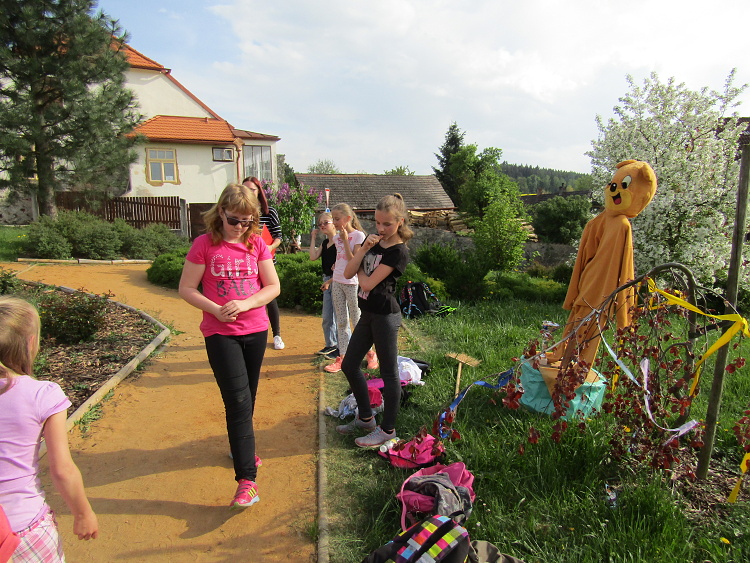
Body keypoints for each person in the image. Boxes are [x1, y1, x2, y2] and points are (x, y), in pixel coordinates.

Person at [179, 183, 280, 509]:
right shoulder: (204, 244)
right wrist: (215, 309)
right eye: (235, 220)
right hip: (220, 334)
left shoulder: (255, 243)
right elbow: (186, 288)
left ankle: (241, 447)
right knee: (237, 401)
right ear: (221, 212)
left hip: (255, 330)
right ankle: (247, 480)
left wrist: (247, 302)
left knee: (248, 396)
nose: (240, 227)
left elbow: (273, 286)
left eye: (247, 221)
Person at [0, 296, 99, 561]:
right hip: (23, 528)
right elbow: (62, 470)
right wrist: (83, 513)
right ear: (30, 343)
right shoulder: (42, 394)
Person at [336, 194, 412, 448]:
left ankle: (387, 430)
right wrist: (363, 249)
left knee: (389, 373)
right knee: (349, 365)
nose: (381, 228)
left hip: (385, 316)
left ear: (400, 222)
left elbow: (366, 283)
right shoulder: (375, 242)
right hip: (368, 313)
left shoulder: (398, 252)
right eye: (377, 223)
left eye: (387, 224)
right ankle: (366, 419)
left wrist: (360, 257)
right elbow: (348, 271)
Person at [323, 203, 376, 373]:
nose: (334, 222)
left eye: (337, 219)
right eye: (333, 219)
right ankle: (343, 357)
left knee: (357, 319)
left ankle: (369, 353)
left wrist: (345, 240)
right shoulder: (336, 237)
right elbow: (341, 259)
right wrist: (333, 274)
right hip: (338, 282)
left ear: (347, 218)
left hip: (353, 283)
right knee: (341, 321)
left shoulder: (358, 235)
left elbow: (354, 260)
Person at [242, 176, 285, 350]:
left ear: (259, 192)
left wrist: (269, 248)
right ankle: (246, 334)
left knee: (270, 298)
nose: (248, 192)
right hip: (245, 263)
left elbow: (279, 237)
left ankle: (277, 335)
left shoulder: (269, 212)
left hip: (266, 261)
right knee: (246, 296)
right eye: (245, 189)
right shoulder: (240, 212)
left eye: (252, 189)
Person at [309, 211, 341, 359]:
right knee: (327, 316)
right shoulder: (325, 243)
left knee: (339, 316)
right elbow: (313, 256)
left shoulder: (340, 242)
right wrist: (313, 238)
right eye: (320, 223)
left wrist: (332, 279)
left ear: (334, 223)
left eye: (325, 222)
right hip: (326, 279)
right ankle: (330, 344)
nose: (322, 225)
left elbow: (345, 264)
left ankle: (341, 347)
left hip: (337, 280)